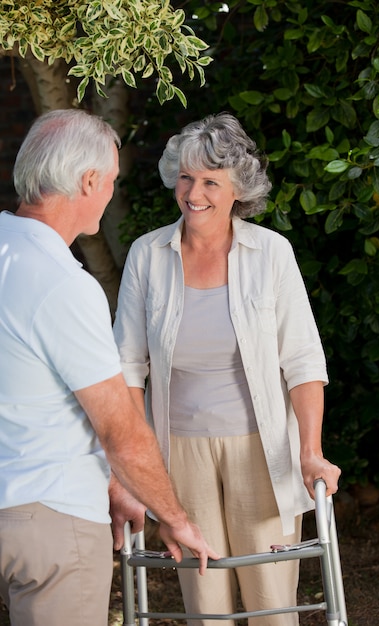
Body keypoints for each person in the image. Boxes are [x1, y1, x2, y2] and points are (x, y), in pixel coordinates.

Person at [113, 112, 341, 626]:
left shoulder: (271, 254)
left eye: (211, 181)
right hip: (179, 454)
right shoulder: (147, 255)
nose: (194, 192)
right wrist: (133, 465)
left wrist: (310, 452)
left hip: (262, 451)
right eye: (187, 177)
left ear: (238, 189)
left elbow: (303, 360)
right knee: (205, 604)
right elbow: (128, 369)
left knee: (273, 604)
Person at [0, 109, 219, 626]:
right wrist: (175, 518)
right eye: (112, 182)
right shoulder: (63, 284)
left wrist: (116, 487)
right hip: (50, 522)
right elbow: (121, 429)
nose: (111, 194)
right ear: (88, 181)